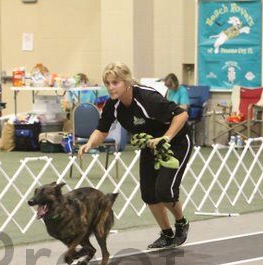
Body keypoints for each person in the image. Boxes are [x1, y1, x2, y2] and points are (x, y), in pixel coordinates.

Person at [78, 62, 192, 249]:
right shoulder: (112, 105)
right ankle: (166, 234)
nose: (111, 87)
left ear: (126, 82)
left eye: (115, 82)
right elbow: (102, 130)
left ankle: (181, 223)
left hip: (177, 141)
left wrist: (166, 137)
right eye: (108, 83)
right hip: (150, 144)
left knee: (164, 190)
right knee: (148, 193)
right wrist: (89, 143)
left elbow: (181, 115)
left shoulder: (147, 98)